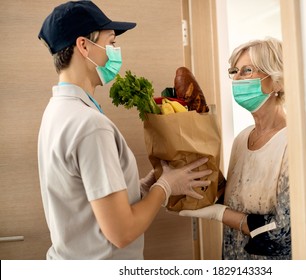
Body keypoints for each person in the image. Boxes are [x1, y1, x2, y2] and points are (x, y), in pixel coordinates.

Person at [37, 1, 211, 260]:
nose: (116, 51)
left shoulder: (57, 111)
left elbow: (85, 199)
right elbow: (122, 231)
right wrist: (164, 187)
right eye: (111, 42)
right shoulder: (89, 125)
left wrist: (140, 187)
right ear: (84, 46)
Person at [180, 38, 291, 260]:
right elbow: (234, 198)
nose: (237, 79)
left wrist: (220, 214)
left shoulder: (291, 142)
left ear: (277, 81)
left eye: (247, 70)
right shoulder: (242, 139)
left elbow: (283, 233)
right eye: (234, 71)